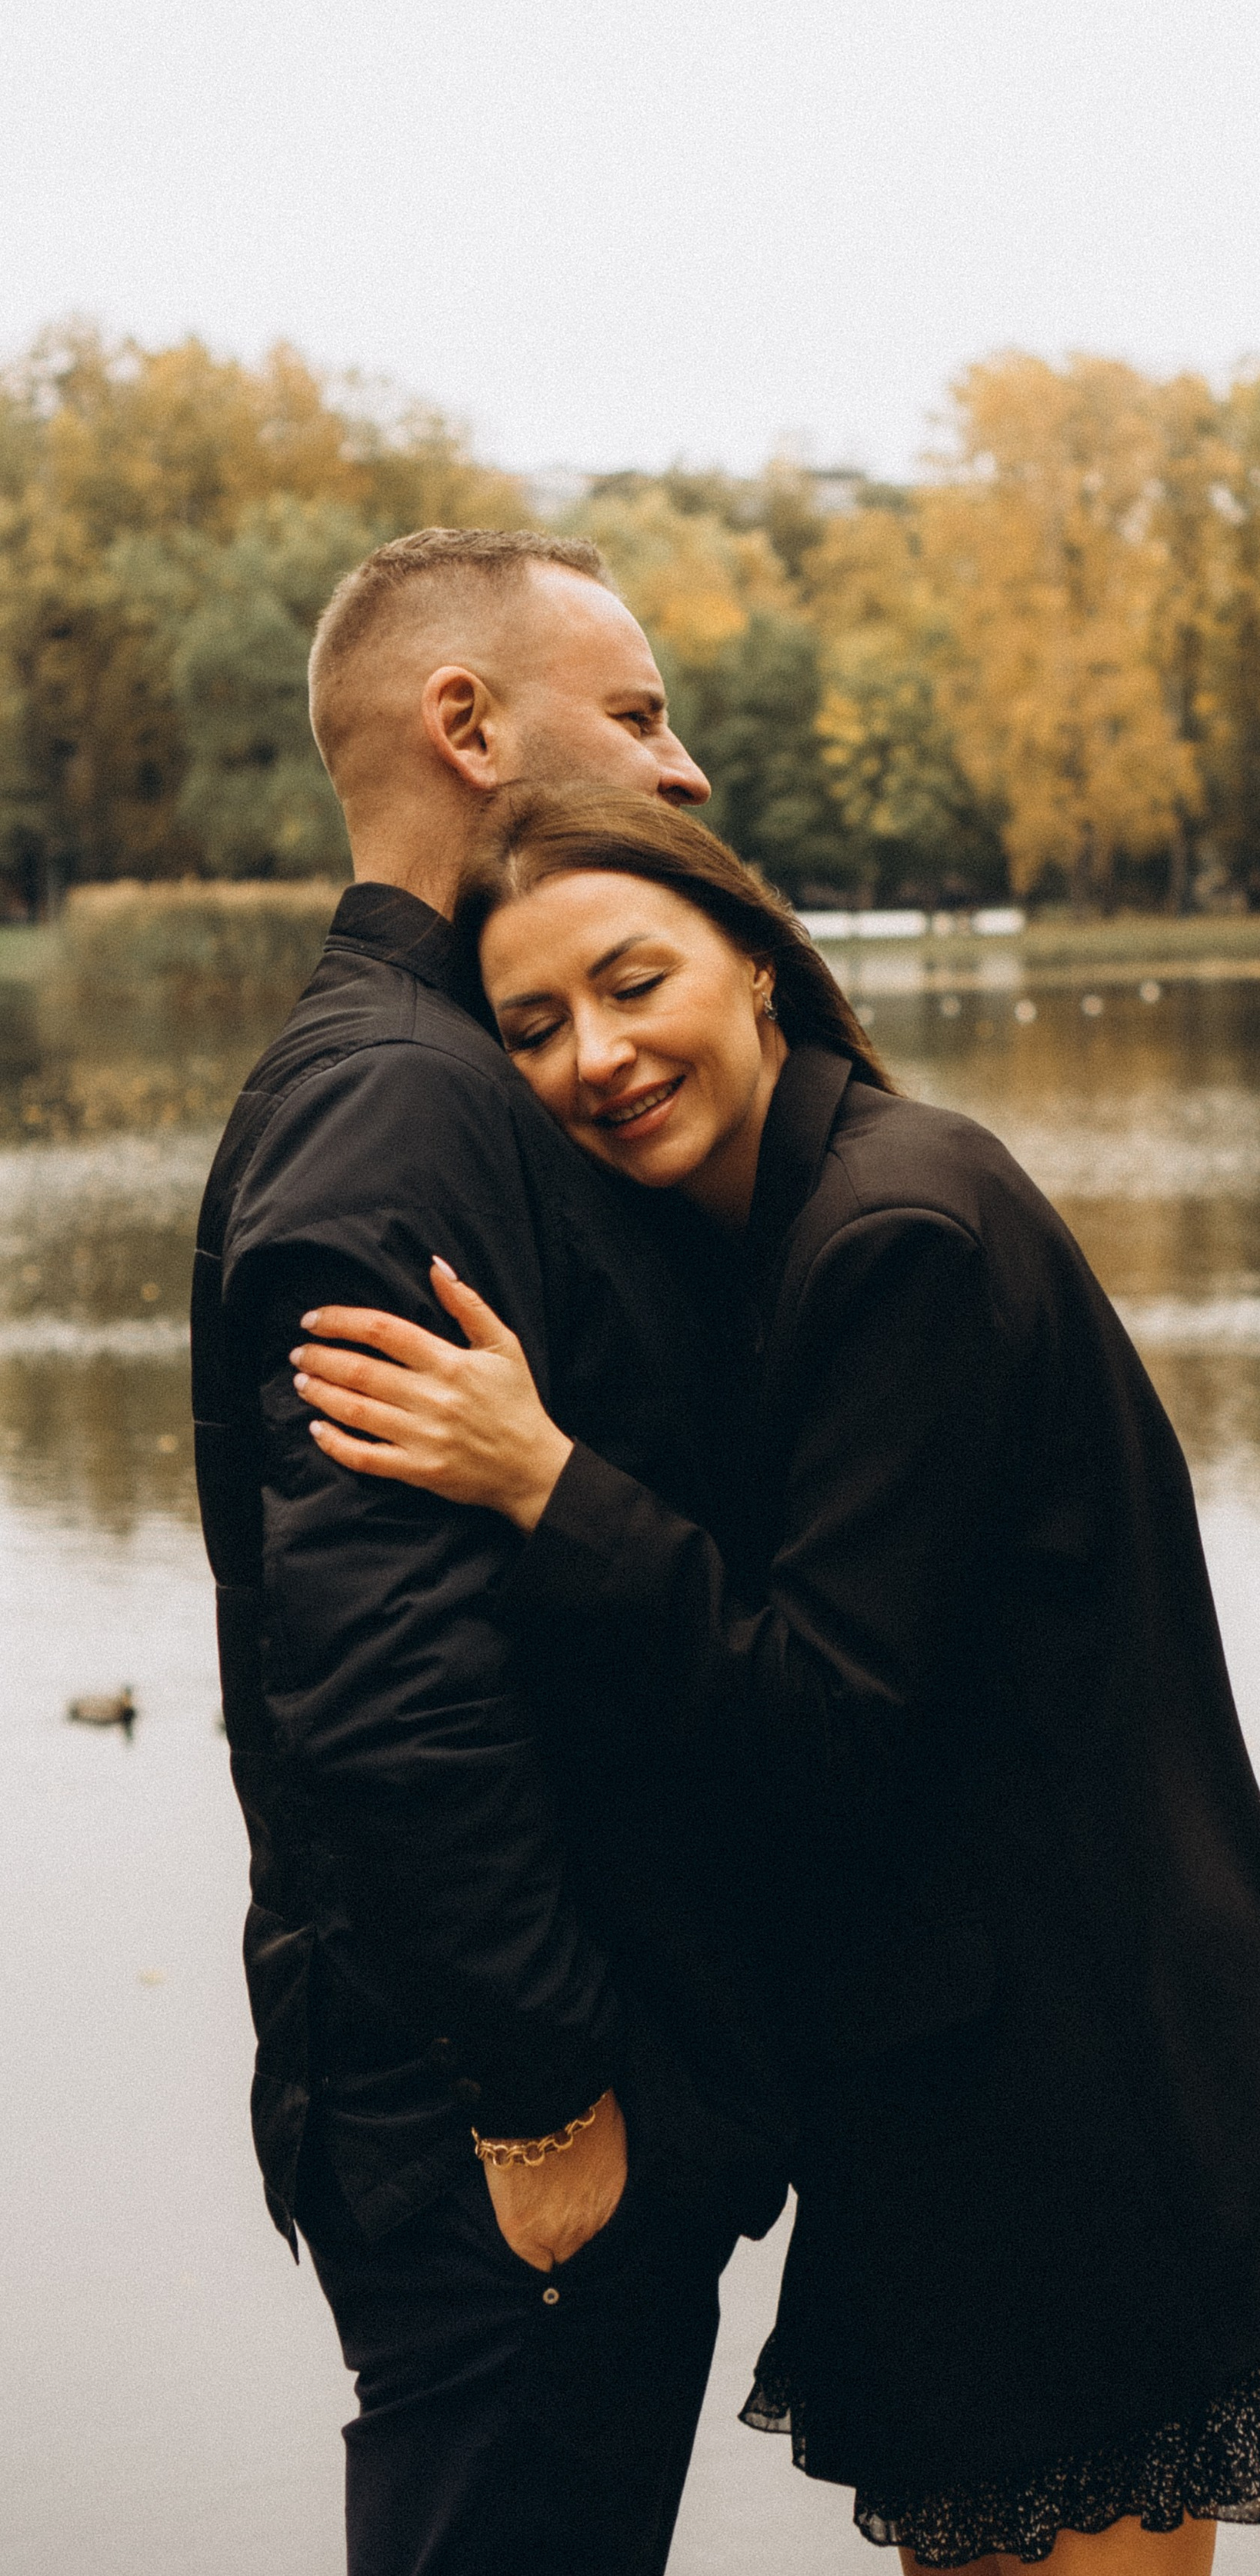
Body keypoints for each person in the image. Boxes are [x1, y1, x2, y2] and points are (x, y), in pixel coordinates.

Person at [290, 785, 1260, 2575]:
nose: (594, 1053)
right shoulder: (780, 1228)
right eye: (533, 1027)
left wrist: (542, 1483)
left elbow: (829, 1723)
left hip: (1064, 2112)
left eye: (632, 981)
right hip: (958, 2098)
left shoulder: (897, 1237)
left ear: (754, 963)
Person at [192, 533, 788, 2576]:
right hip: (493, 2117)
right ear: (467, 724)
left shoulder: (476, 1075)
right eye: (633, 716)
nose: (681, 768)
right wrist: (547, 2108)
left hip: (544, 2083)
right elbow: (374, 1662)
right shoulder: (401, 1107)